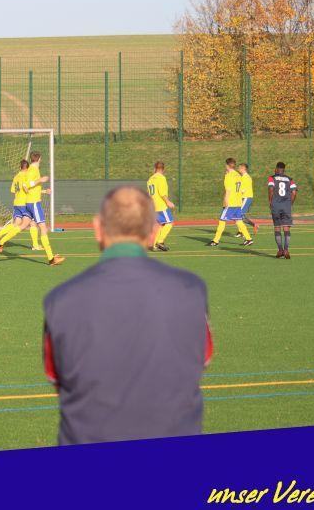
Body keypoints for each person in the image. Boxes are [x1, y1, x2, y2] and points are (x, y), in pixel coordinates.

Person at [43, 186, 213, 444]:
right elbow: (201, 360)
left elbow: (57, 377)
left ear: (97, 228)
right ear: (153, 232)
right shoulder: (192, 291)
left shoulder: (61, 300)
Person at [24, 152, 64, 265]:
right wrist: (40, 180)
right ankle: (51, 258)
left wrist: (44, 191)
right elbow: (27, 185)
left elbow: (30, 188)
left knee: (25, 225)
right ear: (39, 159)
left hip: (31, 202)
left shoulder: (33, 169)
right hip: (34, 203)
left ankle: (0, 240)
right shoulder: (33, 170)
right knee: (43, 227)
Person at [207, 158, 253, 247]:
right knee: (239, 221)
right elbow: (241, 189)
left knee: (222, 221)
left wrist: (225, 201)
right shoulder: (238, 175)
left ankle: (215, 241)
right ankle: (248, 239)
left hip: (230, 203)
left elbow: (228, 190)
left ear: (227, 165)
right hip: (238, 202)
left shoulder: (228, 176)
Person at [0, 159, 33, 249]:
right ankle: (2, 241)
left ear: (20, 167)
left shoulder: (16, 176)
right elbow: (27, 188)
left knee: (16, 223)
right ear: (28, 168)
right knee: (28, 223)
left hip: (17, 203)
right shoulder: (26, 176)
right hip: (24, 203)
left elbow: (13, 190)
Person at [268, 162, 298, 259]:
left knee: (277, 227)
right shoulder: (290, 179)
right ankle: (286, 250)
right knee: (286, 228)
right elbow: (294, 192)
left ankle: (280, 250)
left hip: (276, 205)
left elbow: (271, 189)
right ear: (284, 170)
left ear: (276, 169)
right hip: (286, 206)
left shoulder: (271, 178)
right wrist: (290, 203)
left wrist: (270, 202)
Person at [146, 161, 175, 252]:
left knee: (161, 225)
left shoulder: (150, 179)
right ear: (163, 169)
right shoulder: (161, 178)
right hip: (161, 205)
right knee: (169, 223)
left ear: (154, 168)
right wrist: (168, 202)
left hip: (153, 205)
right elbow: (162, 193)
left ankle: (154, 245)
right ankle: (160, 241)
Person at [235, 162, 258, 238]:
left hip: (246, 198)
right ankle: (253, 225)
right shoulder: (242, 177)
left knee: (238, 215)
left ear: (243, 168)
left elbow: (242, 190)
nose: (238, 169)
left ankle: (242, 232)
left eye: (239, 167)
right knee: (240, 216)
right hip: (243, 198)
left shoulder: (246, 178)